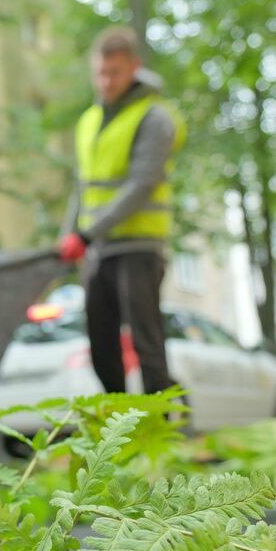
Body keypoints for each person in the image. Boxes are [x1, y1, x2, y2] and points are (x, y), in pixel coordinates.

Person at [56, 26, 186, 395]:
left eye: (114, 72)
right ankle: (119, 433)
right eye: (100, 73)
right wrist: (68, 235)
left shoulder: (155, 118)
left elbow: (141, 184)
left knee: (146, 342)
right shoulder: (89, 121)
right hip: (99, 251)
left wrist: (85, 234)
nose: (106, 81)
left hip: (139, 248)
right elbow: (83, 187)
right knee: (101, 345)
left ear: (134, 68)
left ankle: (161, 431)